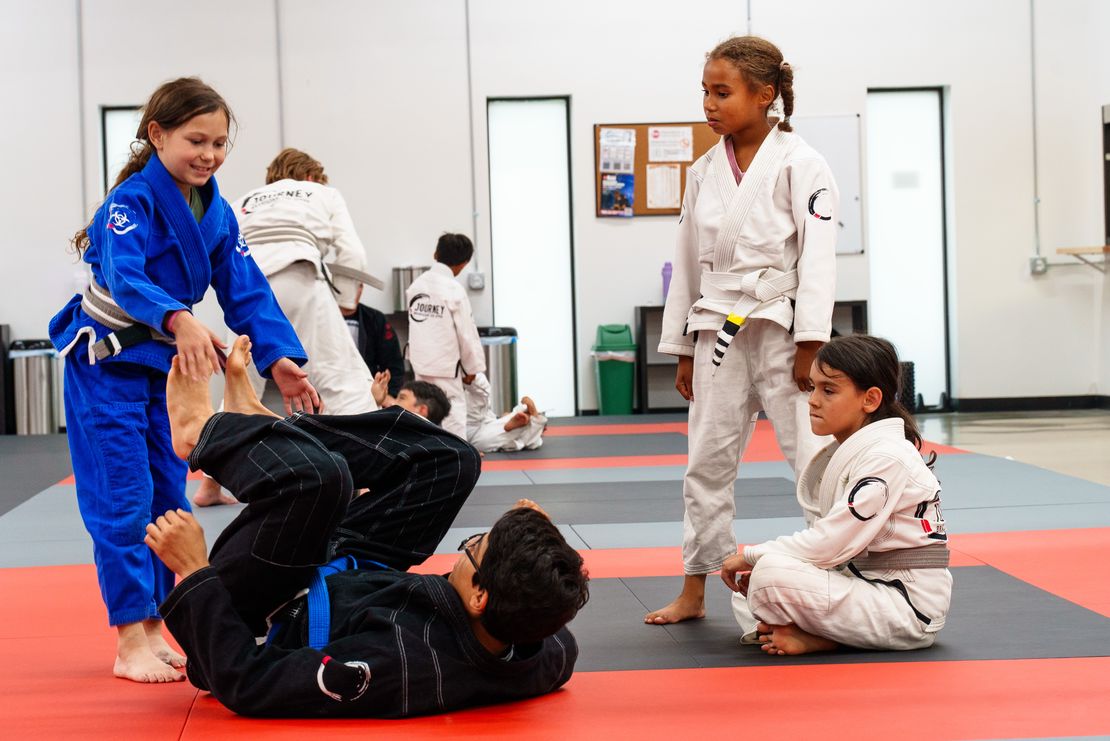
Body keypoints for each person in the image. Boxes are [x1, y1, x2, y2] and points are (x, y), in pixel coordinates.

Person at [145, 336, 589, 717]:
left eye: (474, 547)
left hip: (257, 610)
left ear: (479, 596)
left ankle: (204, 436)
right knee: (454, 461)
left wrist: (196, 570)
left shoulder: (395, 666)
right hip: (353, 572)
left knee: (322, 482)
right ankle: (262, 428)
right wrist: (542, 544)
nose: (465, 547)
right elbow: (558, 620)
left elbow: (246, 680)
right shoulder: (538, 648)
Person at [48, 78, 319, 683]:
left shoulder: (217, 211)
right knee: (121, 499)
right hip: (107, 364)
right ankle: (128, 636)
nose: (210, 154)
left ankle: (156, 624)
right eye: (196, 140)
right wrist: (179, 316)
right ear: (158, 134)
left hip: (166, 369)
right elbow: (125, 276)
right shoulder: (129, 204)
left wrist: (280, 359)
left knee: (168, 497)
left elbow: (244, 288)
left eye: (220, 143)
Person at [647, 36, 839, 625]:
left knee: (812, 457)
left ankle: (833, 575)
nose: (708, 103)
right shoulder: (705, 170)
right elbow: (686, 260)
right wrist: (681, 345)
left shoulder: (802, 163)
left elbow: (820, 255)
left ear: (764, 96)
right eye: (704, 91)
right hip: (717, 328)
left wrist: (812, 342)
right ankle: (695, 586)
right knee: (705, 459)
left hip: (782, 330)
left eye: (721, 92)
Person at [720, 335, 951, 655]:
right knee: (751, 582)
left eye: (828, 390)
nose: (813, 400)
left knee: (769, 575)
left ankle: (822, 638)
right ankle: (800, 630)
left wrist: (748, 554)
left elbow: (828, 545)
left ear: (869, 399)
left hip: (905, 607)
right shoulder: (863, 451)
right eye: (812, 387)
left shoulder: (887, 458)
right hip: (865, 585)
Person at [193, 148, 383, 507]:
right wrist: (343, 304)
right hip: (300, 278)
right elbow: (352, 253)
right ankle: (369, 480)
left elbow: (216, 250)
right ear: (311, 177)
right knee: (343, 380)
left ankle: (209, 484)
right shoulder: (322, 193)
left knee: (240, 389)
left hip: (248, 290)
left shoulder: (242, 199)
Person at [405, 233, 485, 439]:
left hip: (420, 360)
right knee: (452, 410)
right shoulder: (454, 289)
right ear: (464, 263)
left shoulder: (416, 286)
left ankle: (425, 452)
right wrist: (472, 368)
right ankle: (457, 455)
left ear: (435, 254)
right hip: (446, 364)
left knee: (422, 408)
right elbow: (466, 333)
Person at [343, 283, 405, 398]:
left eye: (358, 285)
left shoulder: (375, 319)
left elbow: (394, 365)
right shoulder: (320, 318)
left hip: (369, 396)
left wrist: (389, 395)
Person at [465, 373, 547, 453]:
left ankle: (469, 374)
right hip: (480, 438)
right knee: (490, 439)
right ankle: (534, 419)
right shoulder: (530, 439)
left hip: (470, 430)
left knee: (481, 390)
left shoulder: (534, 439)